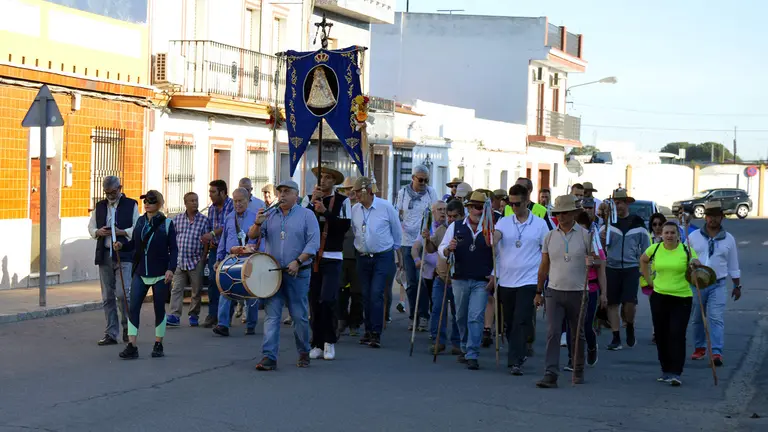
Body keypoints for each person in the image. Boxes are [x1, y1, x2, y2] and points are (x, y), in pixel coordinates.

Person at [249, 180, 320, 370]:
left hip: (298, 273)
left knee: (299, 316)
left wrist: (298, 261)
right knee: (272, 317)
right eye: (280, 191)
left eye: (286, 192)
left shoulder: (307, 215)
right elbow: (252, 235)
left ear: (296, 195)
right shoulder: (270, 215)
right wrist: (257, 223)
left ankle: (304, 351)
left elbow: (313, 244)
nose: (282, 195)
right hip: (274, 273)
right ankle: (269, 357)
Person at [535, 195, 596, 388]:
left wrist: (592, 261)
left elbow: (598, 261)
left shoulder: (586, 235)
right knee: (553, 332)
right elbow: (544, 265)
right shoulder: (550, 236)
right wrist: (539, 291)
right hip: (554, 291)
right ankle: (550, 373)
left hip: (579, 291)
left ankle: (578, 369)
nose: (561, 216)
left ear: (574, 213)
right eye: (558, 213)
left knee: (577, 333)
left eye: (565, 213)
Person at [493, 184, 549, 376]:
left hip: (529, 280)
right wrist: (491, 238)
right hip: (506, 281)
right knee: (509, 322)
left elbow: (546, 252)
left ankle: (515, 360)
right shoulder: (503, 222)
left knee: (520, 320)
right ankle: (521, 350)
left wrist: (543, 281)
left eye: (518, 204)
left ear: (527, 201)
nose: (514, 207)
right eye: (511, 203)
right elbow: (495, 238)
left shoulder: (540, 224)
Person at [115, 190, 177, 359]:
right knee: (133, 308)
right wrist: (122, 246)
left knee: (159, 309)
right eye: (145, 201)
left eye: (151, 201)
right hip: (141, 272)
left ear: (159, 203)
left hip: (160, 273)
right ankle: (132, 345)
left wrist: (171, 269)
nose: (147, 203)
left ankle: (158, 344)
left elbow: (174, 249)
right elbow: (135, 244)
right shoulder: (140, 221)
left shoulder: (167, 224)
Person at [438, 191, 494, 370]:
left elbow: (498, 254)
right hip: (459, 277)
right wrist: (448, 249)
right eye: (476, 207)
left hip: (481, 280)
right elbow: (442, 248)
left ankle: (472, 353)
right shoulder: (455, 226)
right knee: (461, 316)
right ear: (469, 208)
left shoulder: (490, 228)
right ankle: (464, 345)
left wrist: (493, 273)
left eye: (481, 207)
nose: (479, 211)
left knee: (475, 316)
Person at [640, 221, 700, 386]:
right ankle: (665, 370)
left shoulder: (686, 250)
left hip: (682, 297)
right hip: (659, 296)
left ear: (678, 235)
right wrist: (648, 279)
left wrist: (695, 265)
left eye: (672, 233)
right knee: (661, 334)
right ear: (661, 234)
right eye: (666, 233)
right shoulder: (655, 248)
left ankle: (676, 372)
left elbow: (697, 265)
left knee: (677, 333)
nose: (669, 236)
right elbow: (643, 260)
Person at [303, 167, 351, 361]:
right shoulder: (309, 198)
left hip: (332, 255)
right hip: (313, 257)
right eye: (321, 177)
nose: (323, 181)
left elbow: (344, 227)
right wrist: (311, 206)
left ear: (334, 182)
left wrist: (326, 212)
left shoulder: (342, 201)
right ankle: (316, 342)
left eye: (328, 178)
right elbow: (302, 223)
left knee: (328, 299)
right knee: (314, 301)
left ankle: (329, 341)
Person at [687, 201, 741, 367]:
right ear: (706, 217)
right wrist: (690, 263)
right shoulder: (693, 237)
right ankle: (700, 347)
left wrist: (737, 285)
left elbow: (733, 264)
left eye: (716, 216)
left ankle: (716, 351)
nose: (712, 219)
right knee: (697, 317)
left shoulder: (729, 239)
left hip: (718, 283)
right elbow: (685, 256)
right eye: (709, 215)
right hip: (697, 283)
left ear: (722, 217)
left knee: (715, 317)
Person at [88, 175, 139, 345]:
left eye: (113, 192)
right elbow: (91, 226)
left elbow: (136, 227)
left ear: (120, 188)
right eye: (107, 192)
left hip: (124, 255)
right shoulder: (100, 206)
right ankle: (111, 333)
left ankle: (127, 328)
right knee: (107, 296)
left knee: (122, 294)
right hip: (105, 254)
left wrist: (122, 232)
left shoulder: (131, 204)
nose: (110, 196)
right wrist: (98, 232)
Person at [351, 177, 401, 348]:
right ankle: (368, 329)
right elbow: (355, 229)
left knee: (376, 293)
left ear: (368, 191)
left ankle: (376, 333)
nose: (355, 195)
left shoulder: (385, 207)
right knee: (365, 294)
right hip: (363, 256)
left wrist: (391, 249)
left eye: (358, 192)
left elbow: (397, 230)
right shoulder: (355, 209)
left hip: (382, 256)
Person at [599, 189, 650, 351]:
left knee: (629, 302)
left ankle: (630, 325)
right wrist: (602, 237)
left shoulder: (637, 222)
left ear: (627, 203)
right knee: (612, 303)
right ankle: (616, 337)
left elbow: (646, 248)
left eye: (620, 202)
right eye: (615, 202)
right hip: (611, 267)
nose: (617, 205)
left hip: (631, 267)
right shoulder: (609, 223)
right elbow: (599, 245)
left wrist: (644, 267)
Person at [212, 188, 261, 337]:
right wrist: (219, 259)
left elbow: (261, 240)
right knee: (225, 290)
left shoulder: (255, 218)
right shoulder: (228, 217)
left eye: (241, 201)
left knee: (251, 293)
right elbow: (223, 240)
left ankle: (251, 325)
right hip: (230, 259)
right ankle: (223, 325)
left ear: (247, 200)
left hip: (249, 259)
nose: (238, 204)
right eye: (235, 201)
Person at [396, 165, 439, 332]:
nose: (423, 183)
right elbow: (398, 213)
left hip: (423, 241)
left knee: (424, 280)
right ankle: (414, 315)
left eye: (426, 180)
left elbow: (434, 212)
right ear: (413, 178)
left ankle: (424, 315)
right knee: (412, 282)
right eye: (420, 179)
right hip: (407, 241)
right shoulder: (403, 193)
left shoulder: (431, 192)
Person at [564, 212, 608, 369]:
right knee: (571, 324)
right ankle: (573, 358)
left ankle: (591, 345)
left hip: (590, 287)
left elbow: (601, 266)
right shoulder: (567, 239)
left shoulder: (592, 240)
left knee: (585, 325)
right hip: (571, 287)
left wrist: (604, 294)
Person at [425, 199, 463, 355]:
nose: (451, 220)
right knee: (437, 309)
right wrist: (427, 239)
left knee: (457, 312)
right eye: (449, 216)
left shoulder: (466, 231)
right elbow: (430, 249)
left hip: (458, 279)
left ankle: (457, 342)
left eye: (455, 217)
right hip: (441, 277)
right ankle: (438, 341)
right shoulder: (441, 230)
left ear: (461, 215)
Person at [167, 192, 209, 327]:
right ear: (185, 203)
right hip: (180, 260)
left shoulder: (203, 220)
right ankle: (174, 315)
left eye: (196, 200)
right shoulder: (177, 219)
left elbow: (206, 241)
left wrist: (203, 257)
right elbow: (172, 239)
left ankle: (193, 315)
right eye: (191, 201)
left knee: (196, 290)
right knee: (176, 288)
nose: (195, 203)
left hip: (196, 260)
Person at [200, 180, 233, 328]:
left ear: (222, 192)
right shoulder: (212, 208)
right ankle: (212, 314)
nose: (210, 195)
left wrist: (212, 233)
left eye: (213, 192)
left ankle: (225, 317)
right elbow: (211, 227)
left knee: (227, 281)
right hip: (215, 248)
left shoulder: (232, 205)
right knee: (213, 281)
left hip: (228, 249)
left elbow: (227, 226)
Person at [412, 201, 445, 344]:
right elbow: (415, 247)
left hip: (443, 271)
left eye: (445, 209)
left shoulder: (449, 228)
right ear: (433, 212)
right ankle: (434, 330)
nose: (443, 212)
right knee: (434, 301)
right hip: (429, 271)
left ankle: (438, 331)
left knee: (439, 303)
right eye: (439, 209)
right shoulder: (428, 229)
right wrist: (417, 260)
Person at [337, 177, 363, 337]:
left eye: (353, 188)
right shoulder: (341, 206)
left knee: (357, 293)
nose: (350, 192)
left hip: (358, 254)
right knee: (341, 291)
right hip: (342, 254)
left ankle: (356, 322)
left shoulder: (362, 207)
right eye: (347, 189)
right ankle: (342, 319)